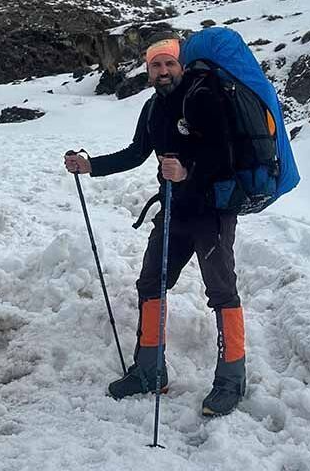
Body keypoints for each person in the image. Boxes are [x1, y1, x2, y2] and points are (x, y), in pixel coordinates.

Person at [64, 33, 246, 417]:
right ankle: (150, 370)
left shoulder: (202, 98)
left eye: (169, 64)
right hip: (175, 210)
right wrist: (90, 165)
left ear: (181, 66)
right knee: (151, 283)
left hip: (212, 210)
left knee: (221, 290)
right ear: (148, 71)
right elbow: (135, 153)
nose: (163, 71)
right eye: (155, 65)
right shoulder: (153, 108)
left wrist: (187, 170)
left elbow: (225, 155)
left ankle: (232, 381)